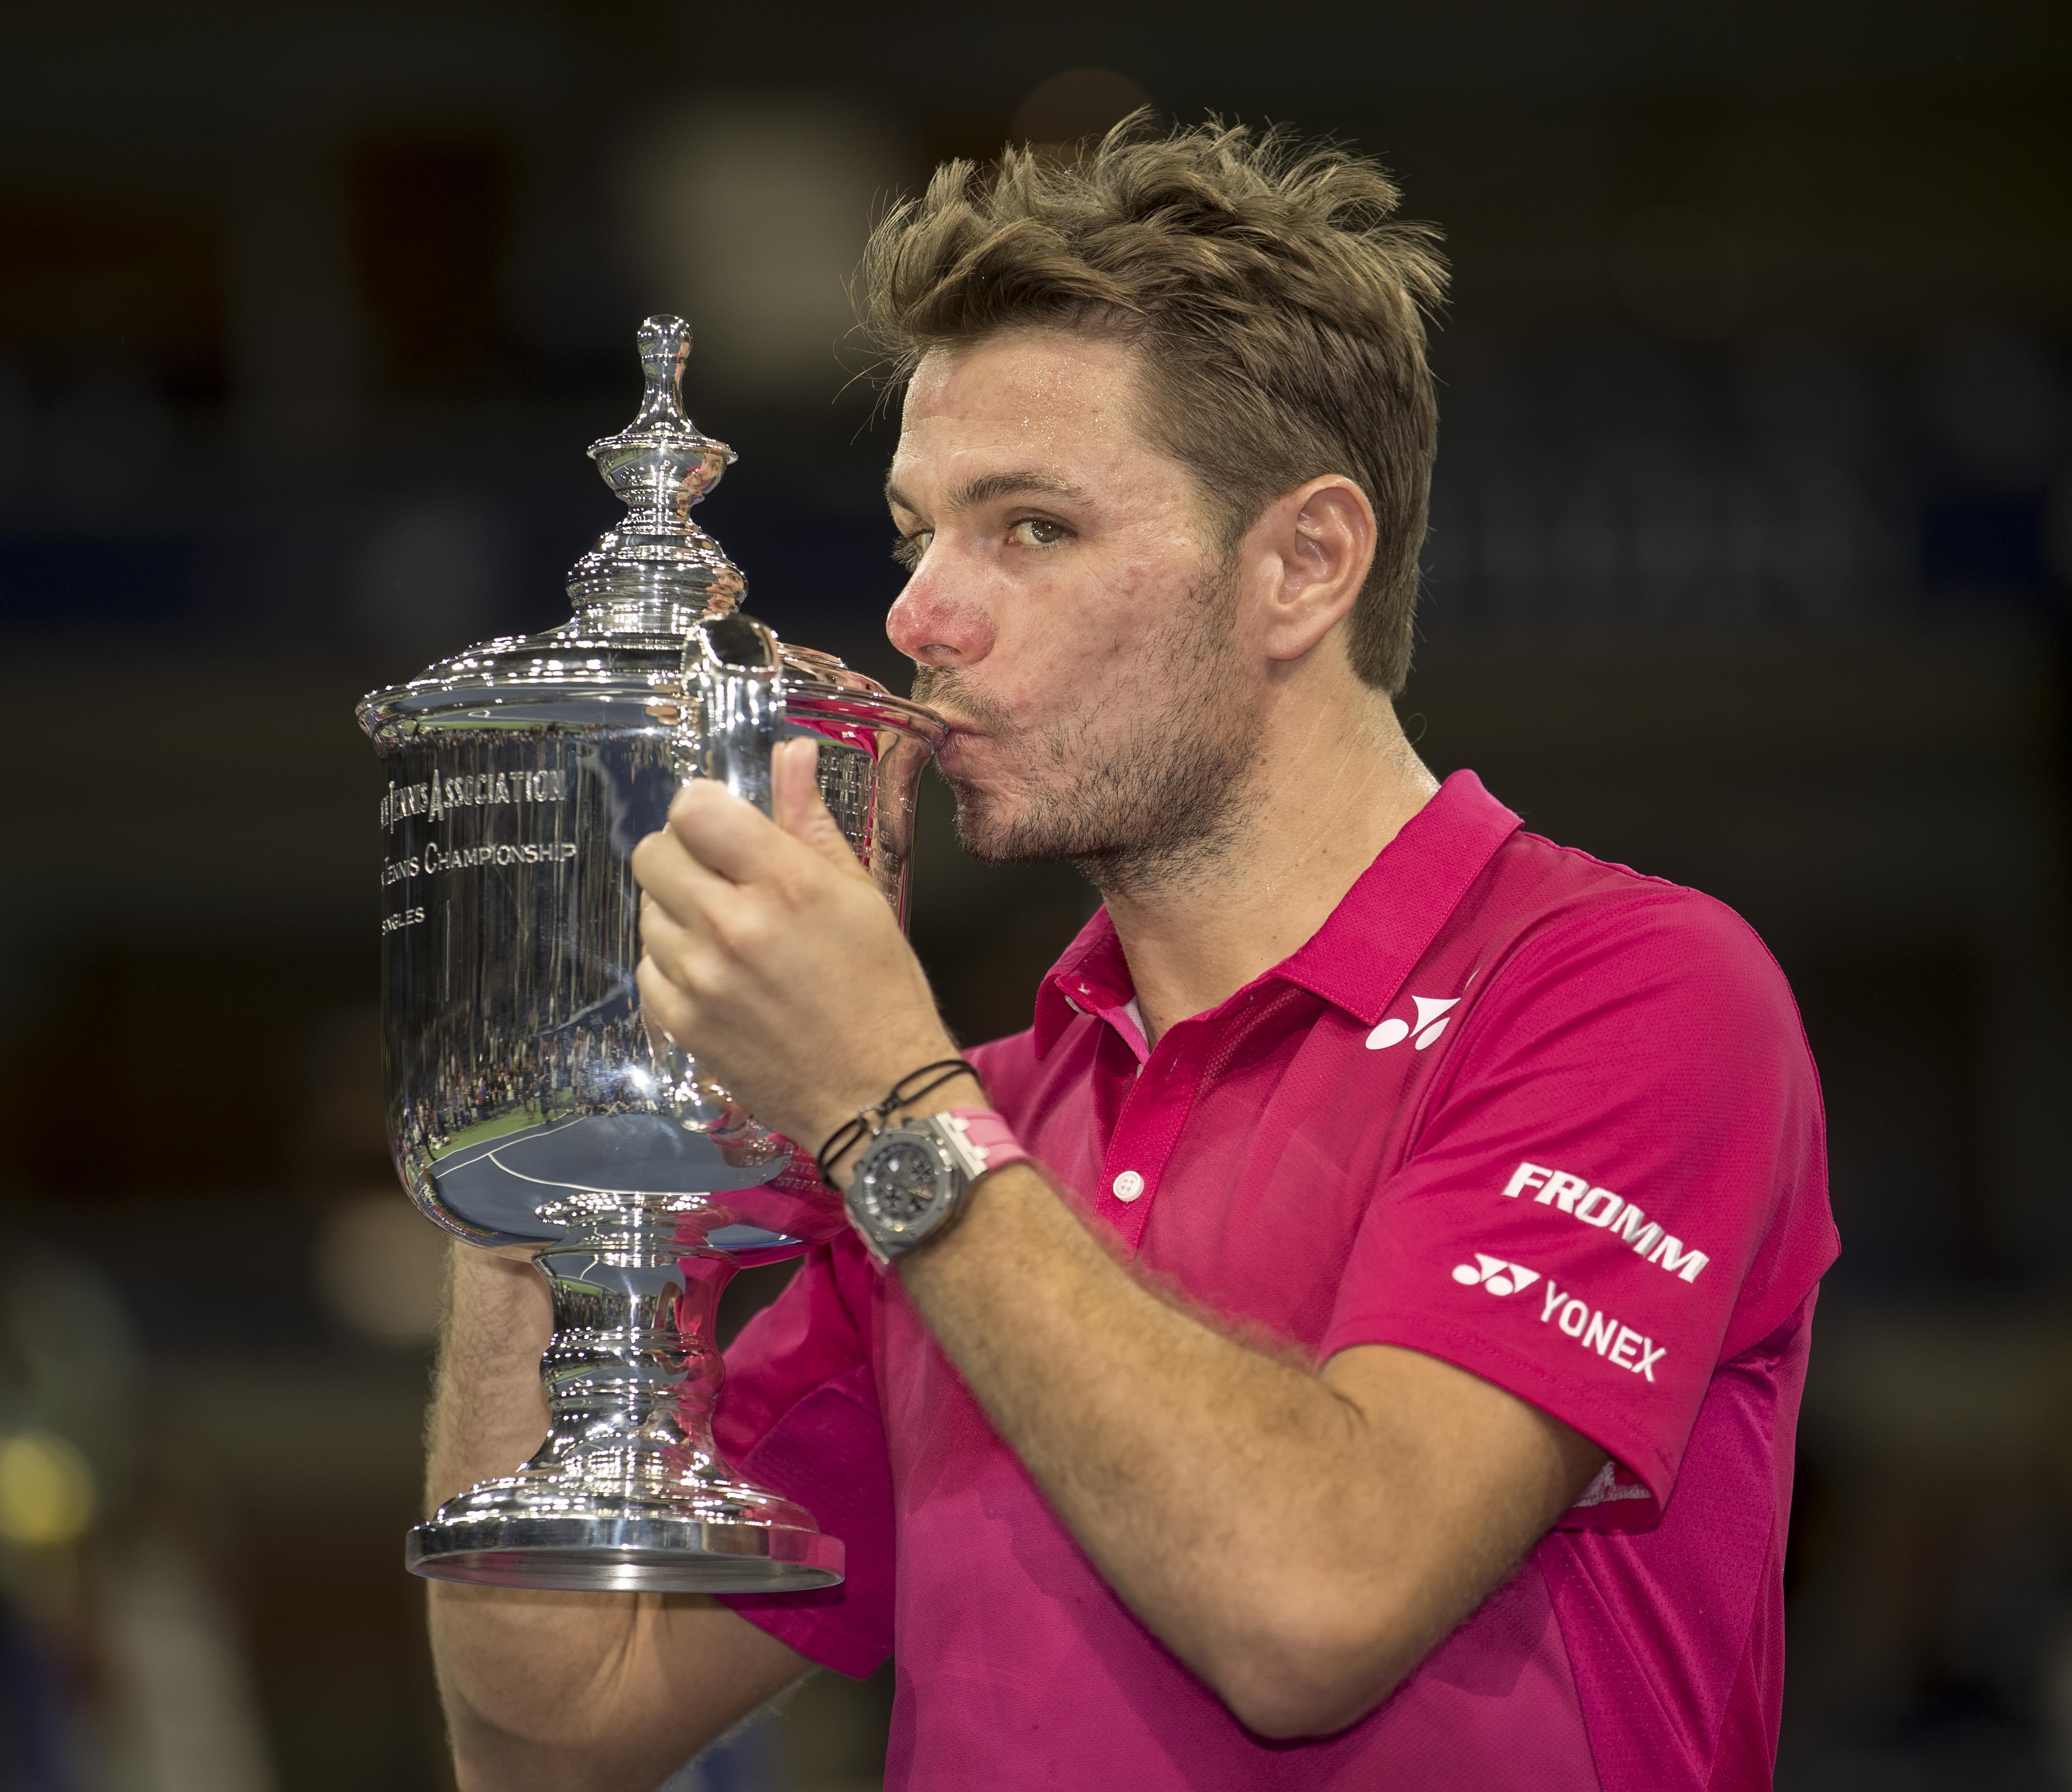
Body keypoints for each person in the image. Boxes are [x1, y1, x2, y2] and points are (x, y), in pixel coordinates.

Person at [424, 119, 1838, 1791]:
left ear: (1304, 564)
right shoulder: (984, 1126)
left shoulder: (1628, 991)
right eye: (914, 533)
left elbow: (1315, 1606)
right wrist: (541, 1150)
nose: (921, 616)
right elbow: (551, 1727)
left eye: (1030, 528)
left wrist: (887, 1100)